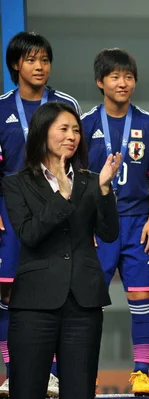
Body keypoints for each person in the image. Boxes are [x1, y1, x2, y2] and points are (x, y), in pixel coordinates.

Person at [2, 101, 120, 399]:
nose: (72, 136)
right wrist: (61, 195)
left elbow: (109, 233)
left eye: (76, 130)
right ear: (43, 133)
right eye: (64, 129)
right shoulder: (16, 184)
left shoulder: (91, 181)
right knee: (26, 390)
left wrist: (105, 191)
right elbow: (29, 234)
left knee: (79, 391)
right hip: (34, 304)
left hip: (83, 305)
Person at [81, 48, 149, 395]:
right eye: (115, 76)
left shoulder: (148, 123)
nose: (123, 83)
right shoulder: (86, 123)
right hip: (97, 224)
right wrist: (83, 224)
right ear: (100, 82)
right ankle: (84, 368)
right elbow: (77, 180)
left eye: (128, 76)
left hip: (137, 222)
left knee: (141, 295)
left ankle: (141, 372)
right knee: (88, 299)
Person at [0, 31, 81, 397]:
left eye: (45, 60)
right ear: (16, 64)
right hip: (13, 207)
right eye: (31, 60)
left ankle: (52, 374)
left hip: (59, 203)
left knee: (57, 287)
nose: (39, 66)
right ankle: (11, 371)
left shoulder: (65, 104)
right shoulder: (1, 107)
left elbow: (80, 162)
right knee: (8, 293)